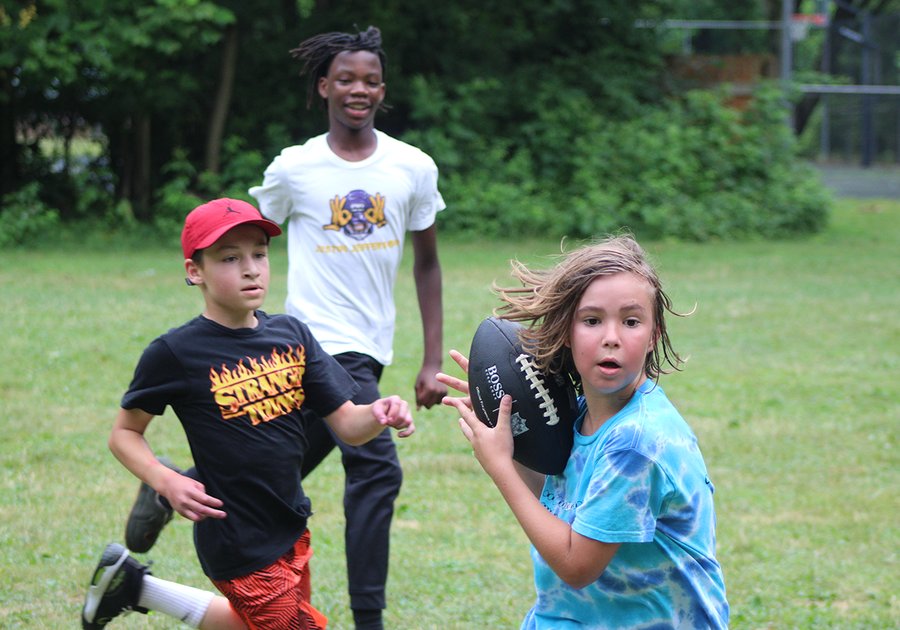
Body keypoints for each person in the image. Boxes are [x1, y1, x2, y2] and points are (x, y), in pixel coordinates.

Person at [81, 198, 415, 630]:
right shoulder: (175, 353)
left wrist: (379, 412)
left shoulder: (293, 335)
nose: (251, 268)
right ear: (194, 271)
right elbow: (124, 433)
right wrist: (166, 480)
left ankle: (135, 588)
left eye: (259, 253)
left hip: (290, 524)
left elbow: (349, 426)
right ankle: (135, 588)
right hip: (236, 538)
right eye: (230, 258)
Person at [247, 25, 445, 630]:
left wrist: (431, 359)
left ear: (382, 90)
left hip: (369, 348)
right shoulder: (295, 168)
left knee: (275, 468)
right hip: (312, 343)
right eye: (347, 79)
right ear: (324, 86)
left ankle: (177, 486)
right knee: (377, 466)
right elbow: (251, 241)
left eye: (371, 80)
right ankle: (369, 621)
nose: (359, 89)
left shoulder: (411, 167)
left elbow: (428, 262)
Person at [437, 235, 729, 629]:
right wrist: (510, 427)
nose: (611, 336)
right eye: (592, 320)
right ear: (566, 331)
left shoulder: (637, 441)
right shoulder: (578, 414)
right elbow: (557, 500)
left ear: (653, 335)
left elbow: (577, 566)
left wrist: (500, 468)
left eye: (631, 321)